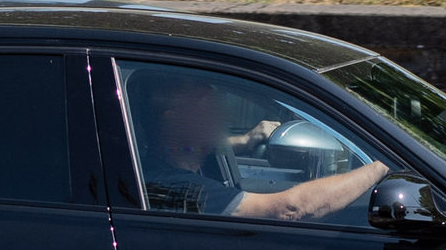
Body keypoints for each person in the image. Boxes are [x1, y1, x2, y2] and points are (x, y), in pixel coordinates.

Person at [136, 72, 389, 223]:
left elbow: (196, 147)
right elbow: (290, 209)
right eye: (207, 104)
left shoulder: (194, 161)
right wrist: (384, 162)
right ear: (175, 118)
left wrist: (244, 142)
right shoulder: (176, 188)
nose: (220, 112)